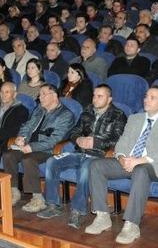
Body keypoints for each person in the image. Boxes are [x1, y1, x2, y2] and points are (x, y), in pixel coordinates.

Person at [84, 87, 158, 244]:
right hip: (128, 162)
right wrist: (123, 157)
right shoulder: (135, 118)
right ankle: (102, 216)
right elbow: (122, 142)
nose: (146, 99)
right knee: (96, 165)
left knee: (140, 171)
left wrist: (139, 161)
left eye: (152, 97)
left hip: (151, 165)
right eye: (146, 96)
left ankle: (131, 225)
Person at [36, 84, 127, 228]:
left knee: (86, 169)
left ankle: (77, 211)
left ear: (109, 99)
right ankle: (53, 205)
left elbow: (119, 139)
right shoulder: (88, 111)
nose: (95, 99)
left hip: (100, 156)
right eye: (94, 95)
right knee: (52, 161)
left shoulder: (118, 115)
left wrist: (96, 142)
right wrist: (78, 139)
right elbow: (74, 131)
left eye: (100, 96)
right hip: (79, 153)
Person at [3, 84, 75, 209]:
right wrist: (21, 137)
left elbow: (55, 140)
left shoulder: (65, 115)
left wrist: (32, 147)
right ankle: (13, 191)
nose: (40, 97)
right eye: (39, 94)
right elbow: (26, 126)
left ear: (54, 96)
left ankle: (37, 198)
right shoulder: (39, 109)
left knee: (28, 159)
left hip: (48, 150)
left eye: (43, 94)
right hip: (28, 145)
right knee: (8, 155)